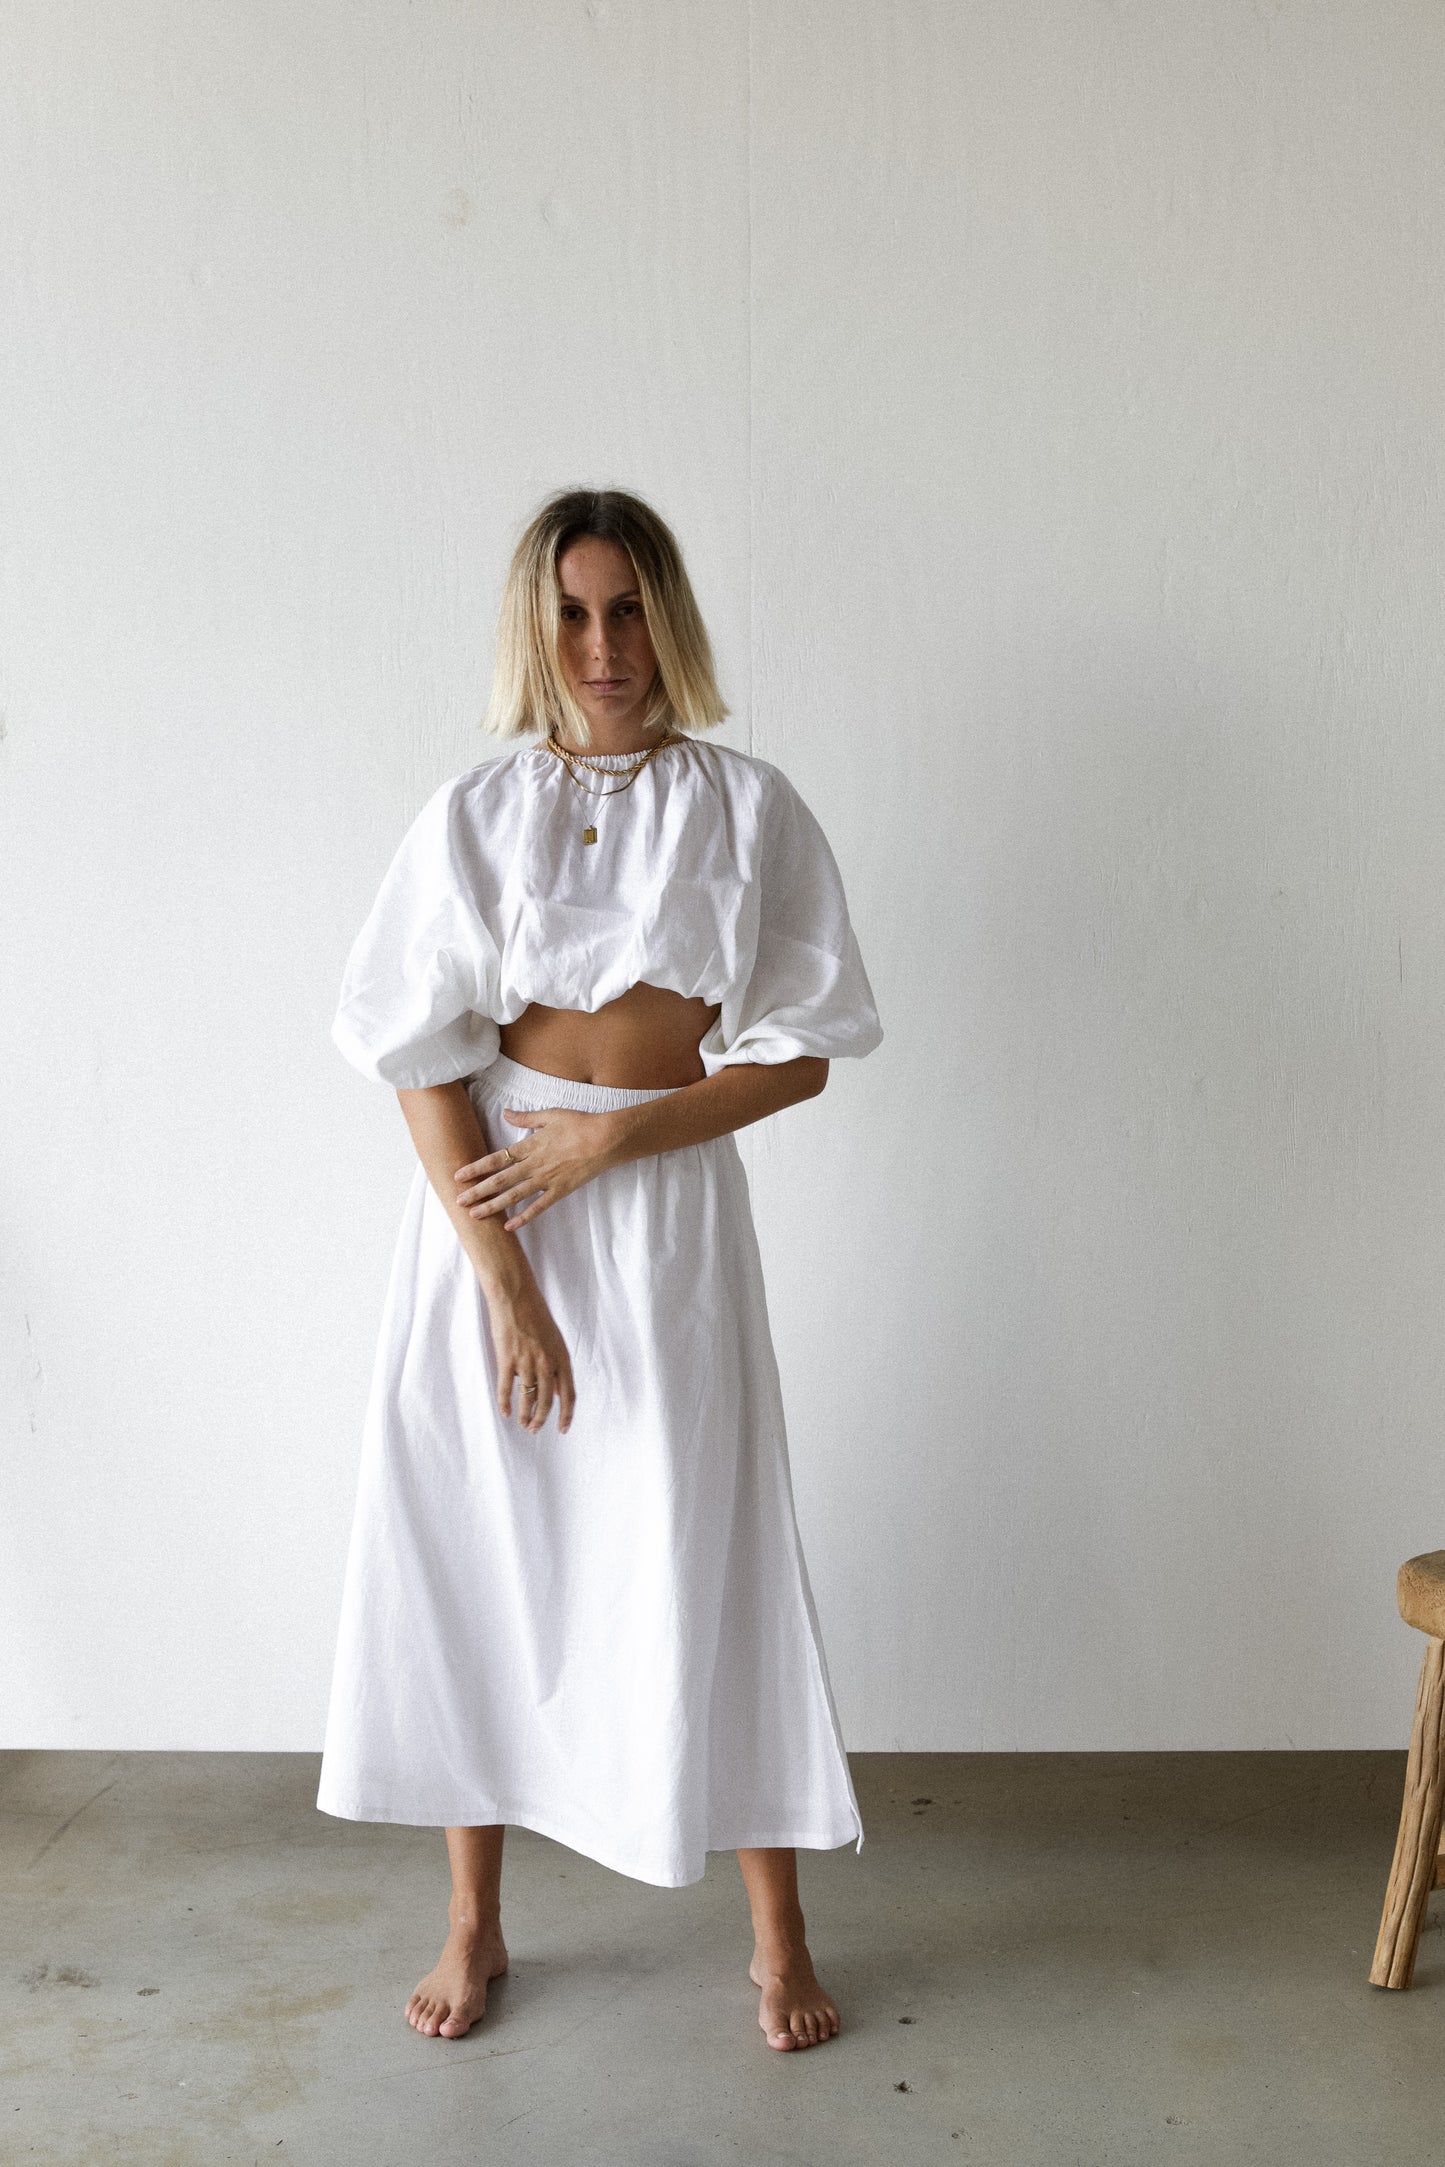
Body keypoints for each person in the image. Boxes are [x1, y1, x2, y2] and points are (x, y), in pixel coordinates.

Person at [317, 487, 883, 2052]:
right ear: (536, 629)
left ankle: (776, 1938)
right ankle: (473, 1922)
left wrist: (613, 1142)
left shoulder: (747, 807)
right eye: (569, 613)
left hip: (663, 1210)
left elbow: (800, 1052)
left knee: (703, 1533)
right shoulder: (472, 813)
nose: (600, 645)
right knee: (477, 1539)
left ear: (665, 618)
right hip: (493, 1209)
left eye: (626, 608)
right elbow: (417, 1056)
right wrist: (503, 1277)